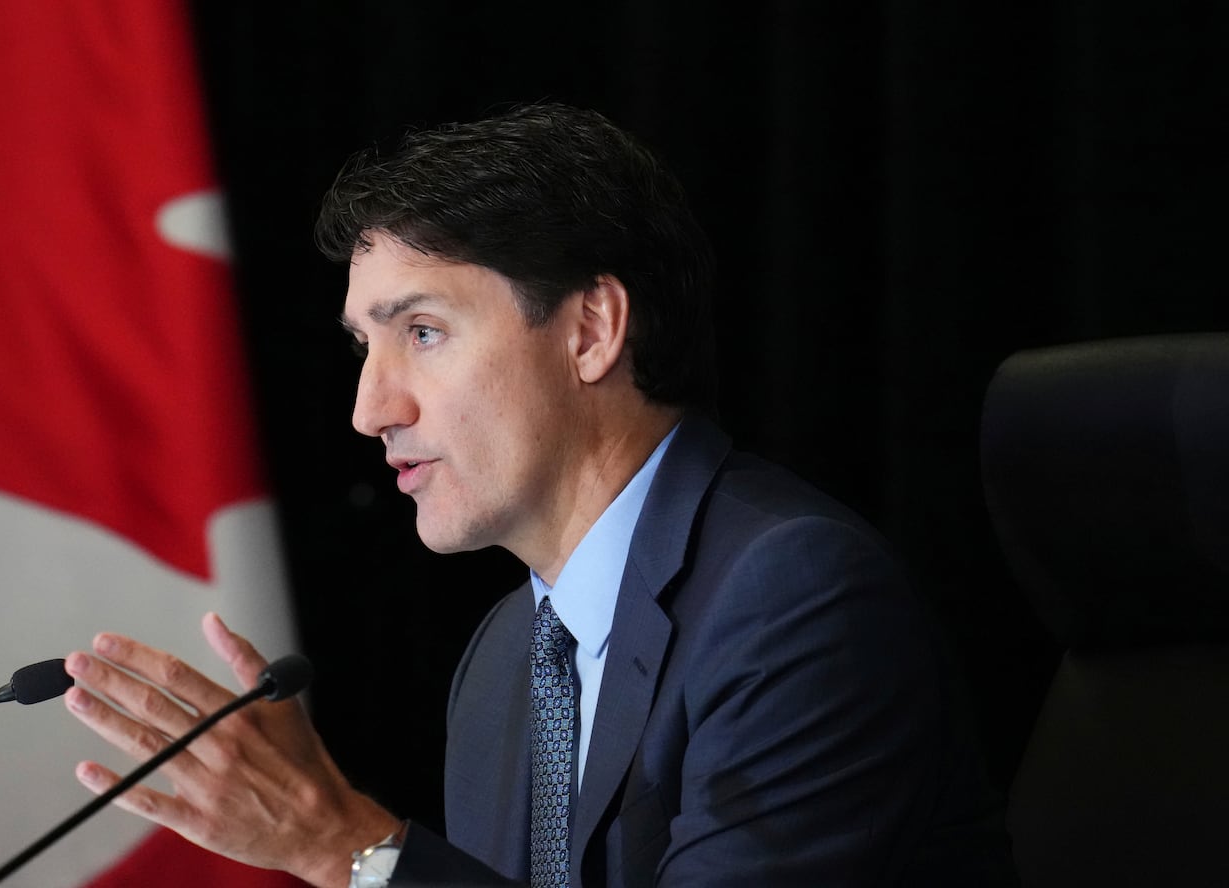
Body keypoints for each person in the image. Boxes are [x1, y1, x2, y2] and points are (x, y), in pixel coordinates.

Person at [61, 103, 1014, 887]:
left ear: (592, 328)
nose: (369, 409)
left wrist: (342, 846)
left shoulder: (792, 600)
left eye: (423, 333)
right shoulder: (507, 659)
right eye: (366, 348)